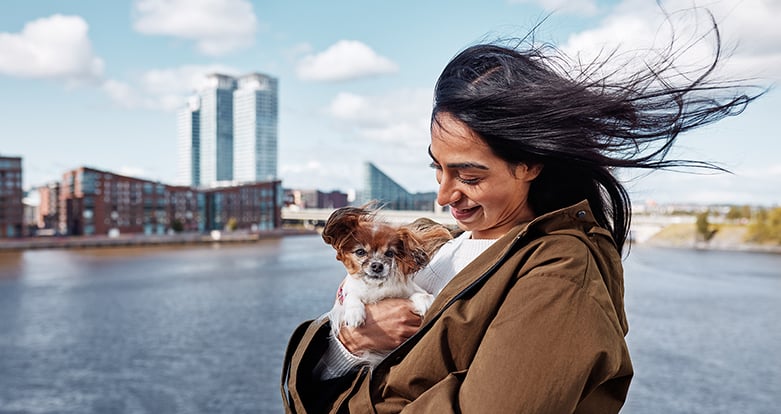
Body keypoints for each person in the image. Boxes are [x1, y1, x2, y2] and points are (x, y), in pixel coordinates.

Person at [281, 14, 762, 414]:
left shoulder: (558, 274)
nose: (446, 194)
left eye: (469, 177)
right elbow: (355, 361)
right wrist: (352, 342)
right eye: (438, 170)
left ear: (529, 164)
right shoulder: (443, 245)